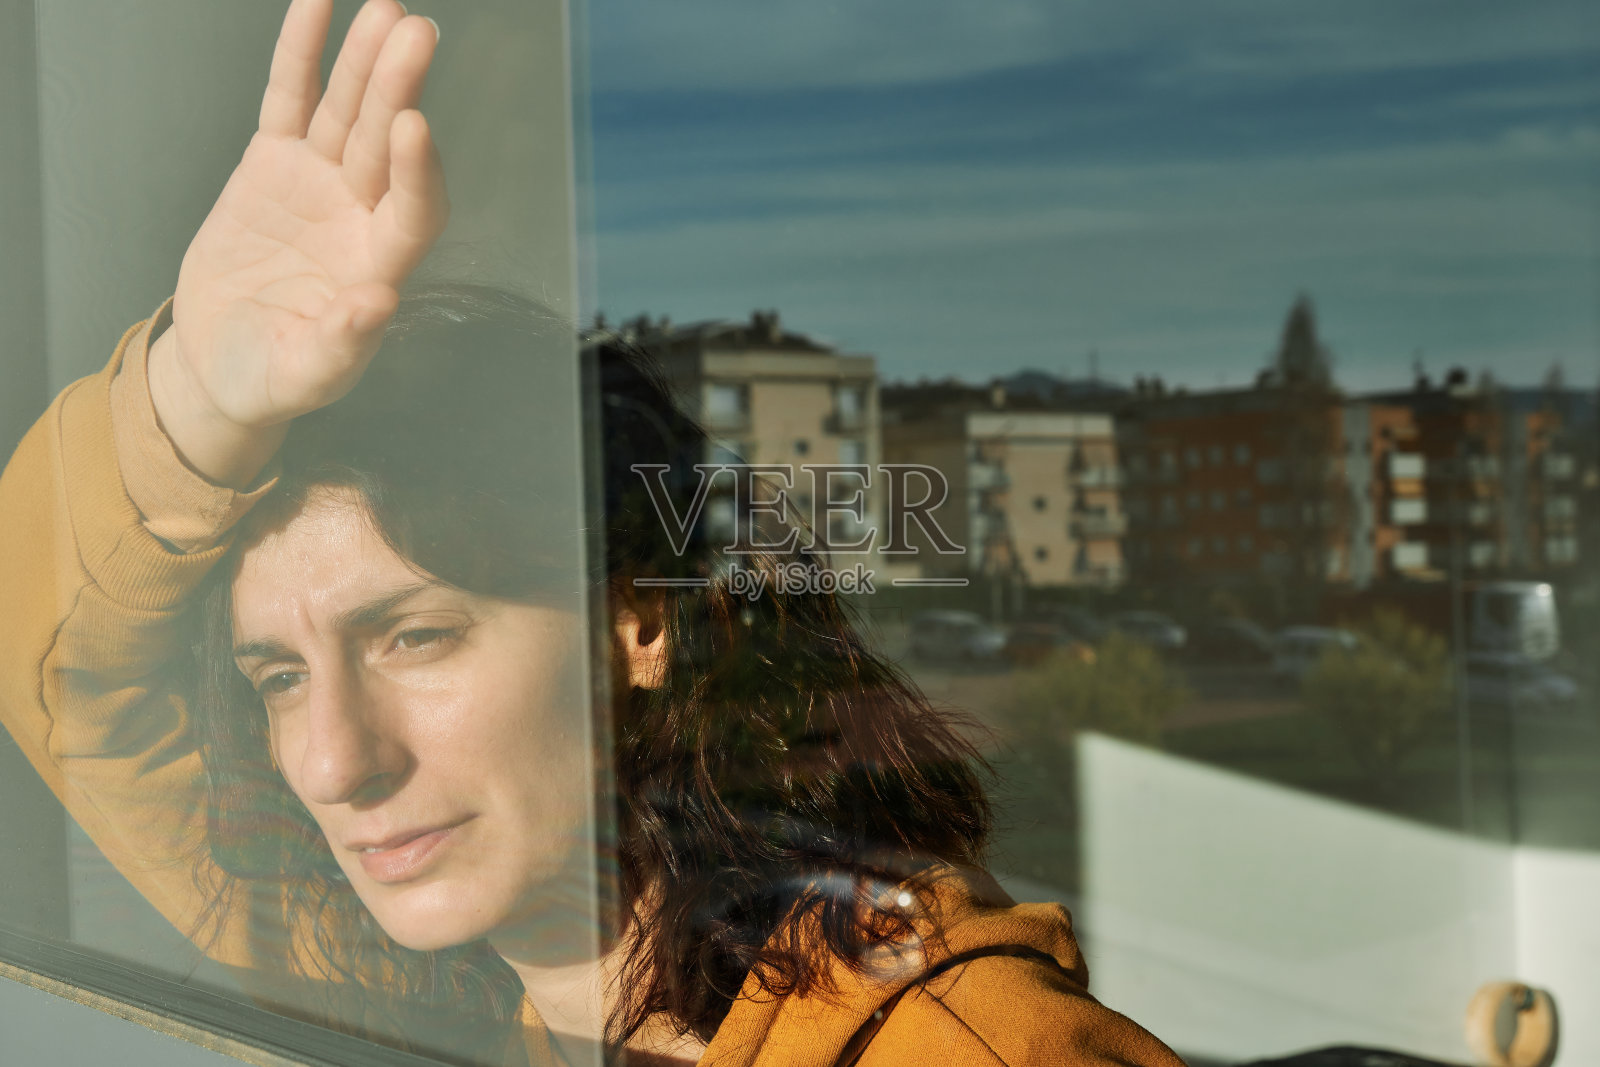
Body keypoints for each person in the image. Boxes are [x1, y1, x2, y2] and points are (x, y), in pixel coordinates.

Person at [0, 1, 1186, 1065]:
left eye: (413, 635)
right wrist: (200, 401)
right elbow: (51, 651)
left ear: (639, 619)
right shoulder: (403, 977)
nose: (330, 763)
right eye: (275, 674)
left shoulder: (955, 1049)